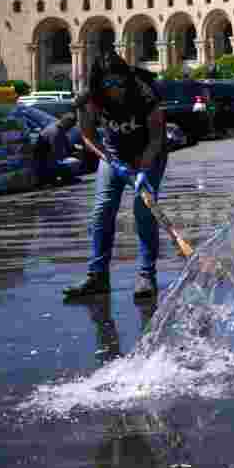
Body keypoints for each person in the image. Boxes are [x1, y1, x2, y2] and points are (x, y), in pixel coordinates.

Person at [63, 51, 168, 301]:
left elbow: (156, 138)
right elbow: (88, 136)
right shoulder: (89, 100)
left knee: (143, 210)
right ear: (99, 83)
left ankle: (146, 276)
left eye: (120, 82)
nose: (116, 89)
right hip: (114, 156)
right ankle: (97, 276)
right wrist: (111, 161)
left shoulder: (144, 93)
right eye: (109, 84)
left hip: (149, 153)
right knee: (102, 209)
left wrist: (143, 170)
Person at [36, 112, 82, 185]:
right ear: (67, 122)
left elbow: (67, 145)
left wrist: (74, 149)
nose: (71, 127)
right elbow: (56, 152)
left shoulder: (60, 129)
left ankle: (65, 177)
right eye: (71, 125)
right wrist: (69, 155)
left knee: (74, 158)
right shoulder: (55, 131)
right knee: (73, 162)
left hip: (50, 159)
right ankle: (59, 178)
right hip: (46, 161)